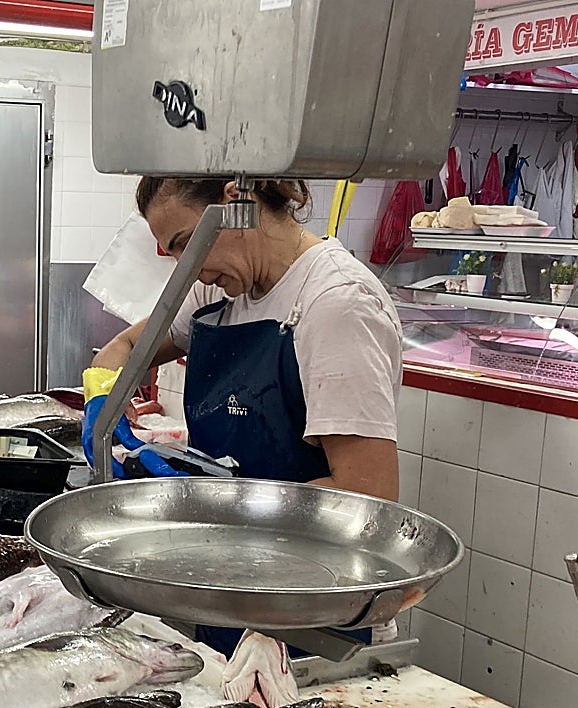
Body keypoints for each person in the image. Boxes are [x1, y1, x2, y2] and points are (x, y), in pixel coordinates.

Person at [81, 177, 403, 655]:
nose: (189, 272)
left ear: (236, 202)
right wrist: (100, 407)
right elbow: (123, 347)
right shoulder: (217, 294)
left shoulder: (336, 302)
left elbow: (369, 497)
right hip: (227, 591)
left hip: (310, 618)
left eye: (186, 244)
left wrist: (206, 504)